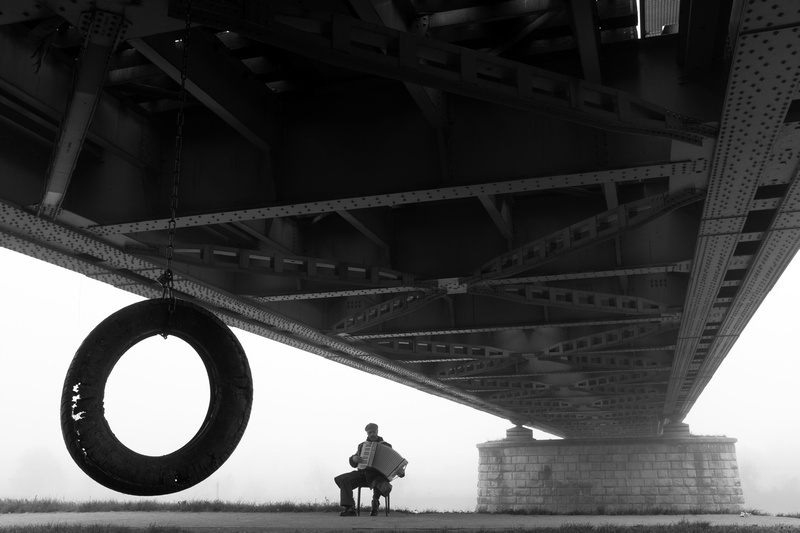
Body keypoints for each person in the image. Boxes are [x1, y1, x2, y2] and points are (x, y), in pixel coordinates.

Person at [333, 422, 405, 516]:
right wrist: (354, 459)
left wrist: (401, 472)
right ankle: (350, 508)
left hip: (378, 476)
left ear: (377, 431)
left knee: (380, 481)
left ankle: (375, 505)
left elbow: (394, 462)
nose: (372, 434)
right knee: (342, 479)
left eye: (373, 432)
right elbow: (354, 461)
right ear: (367, 433)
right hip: (363, 475)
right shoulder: (362, 446)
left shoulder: (386, 445)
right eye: (369, 432)